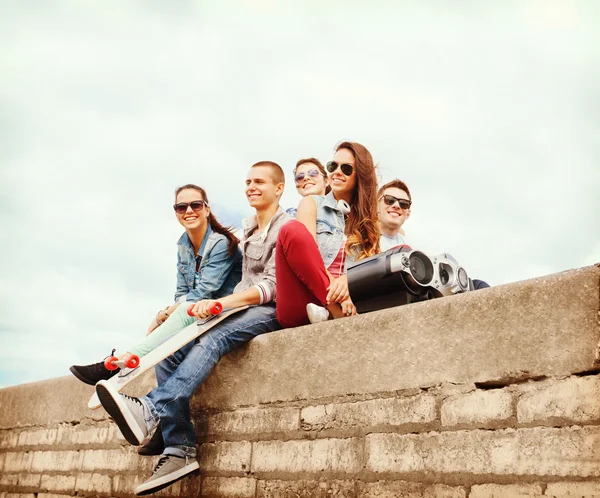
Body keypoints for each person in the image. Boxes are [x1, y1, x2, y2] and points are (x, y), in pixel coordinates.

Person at [94, 161, 290, 495]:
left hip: (270, 309)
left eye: (260, 181)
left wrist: (222, 305)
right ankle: (179, 449)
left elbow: (272, 286)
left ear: (279, 188)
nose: (251, 187)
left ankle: (153, 409)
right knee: (171, 353)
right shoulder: (250, 230)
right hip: (239, 307)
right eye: (248, 182)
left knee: (212, 339)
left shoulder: (284, 226)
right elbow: (185, 293)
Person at [69, 184, 242, 386]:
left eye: (195, 205)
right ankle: (170, 416)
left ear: (206, 209)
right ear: (176, 212)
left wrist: (163, 315)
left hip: (222, 312)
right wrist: (168, 315)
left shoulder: (220, 243)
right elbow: (181, 292)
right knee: (166, 352)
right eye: (181, 207)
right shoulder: (183, 245)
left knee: (185, 311)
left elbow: (205, 292)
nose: (188, 211)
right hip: (195, 316)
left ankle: (123, 361)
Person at [275, 141, 380, 328]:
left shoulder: (370, 223)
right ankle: (335, 312)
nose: (337, 172)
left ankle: (334, 311)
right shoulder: (311, 203)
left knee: (401, 251)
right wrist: (337, 298)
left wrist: (348, 280)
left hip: (349, 300)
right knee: (291, 230)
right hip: (305, 300)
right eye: (333, 166)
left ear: (360, 176)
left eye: (346, 168)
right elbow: (308, 258)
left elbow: (370, 268)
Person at [376, 178, 490, 289]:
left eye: (403, 203)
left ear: (408, 214)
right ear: (376, 206)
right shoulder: (364, 239)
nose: (396, 205)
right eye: (389, 199)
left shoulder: (410, 245)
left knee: (478, 285)